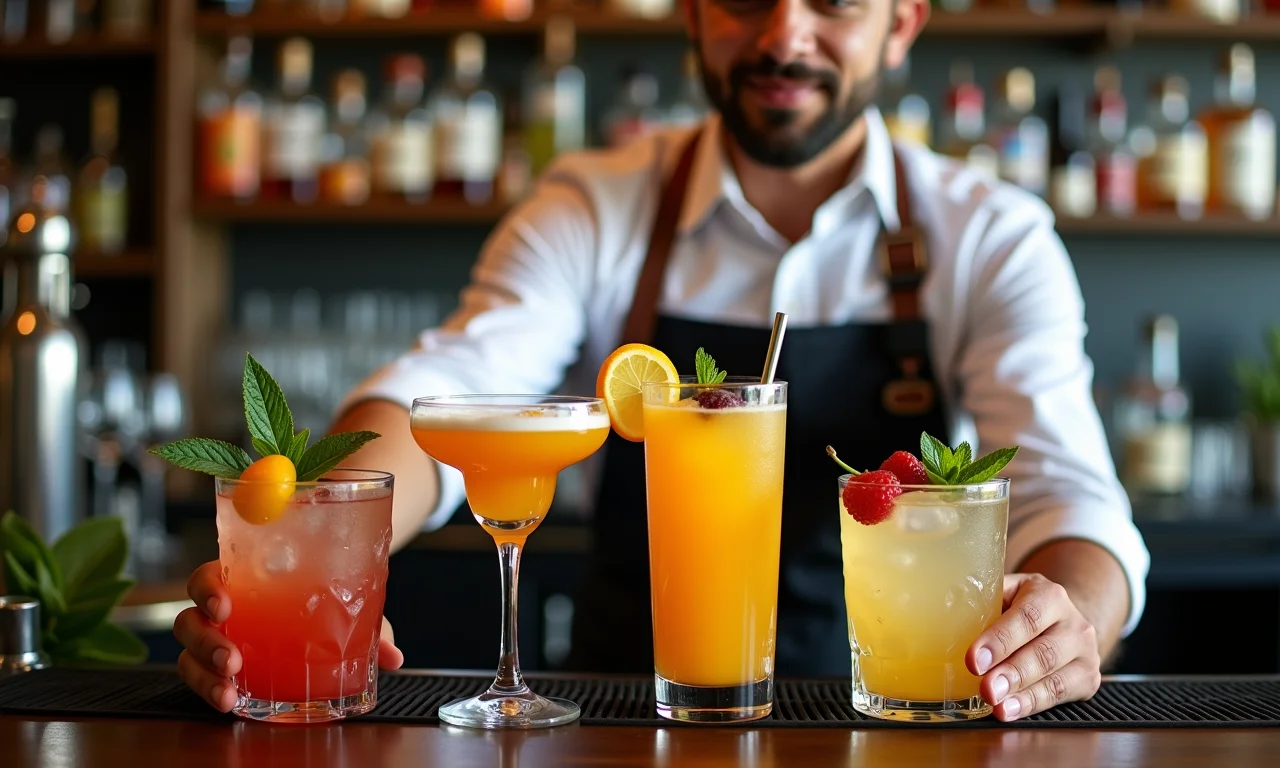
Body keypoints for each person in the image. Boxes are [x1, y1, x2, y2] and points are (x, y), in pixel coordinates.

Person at [174, 0, 1150, 722]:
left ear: (901, 24)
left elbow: (1068, 496)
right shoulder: (593, 205)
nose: (784, 35)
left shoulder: (990, 236)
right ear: (690, 14)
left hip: (887, 724)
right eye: (744, 0)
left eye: (835, 3)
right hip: (620, 723)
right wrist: (316, 556)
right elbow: (448, 395)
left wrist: (1066, 625)